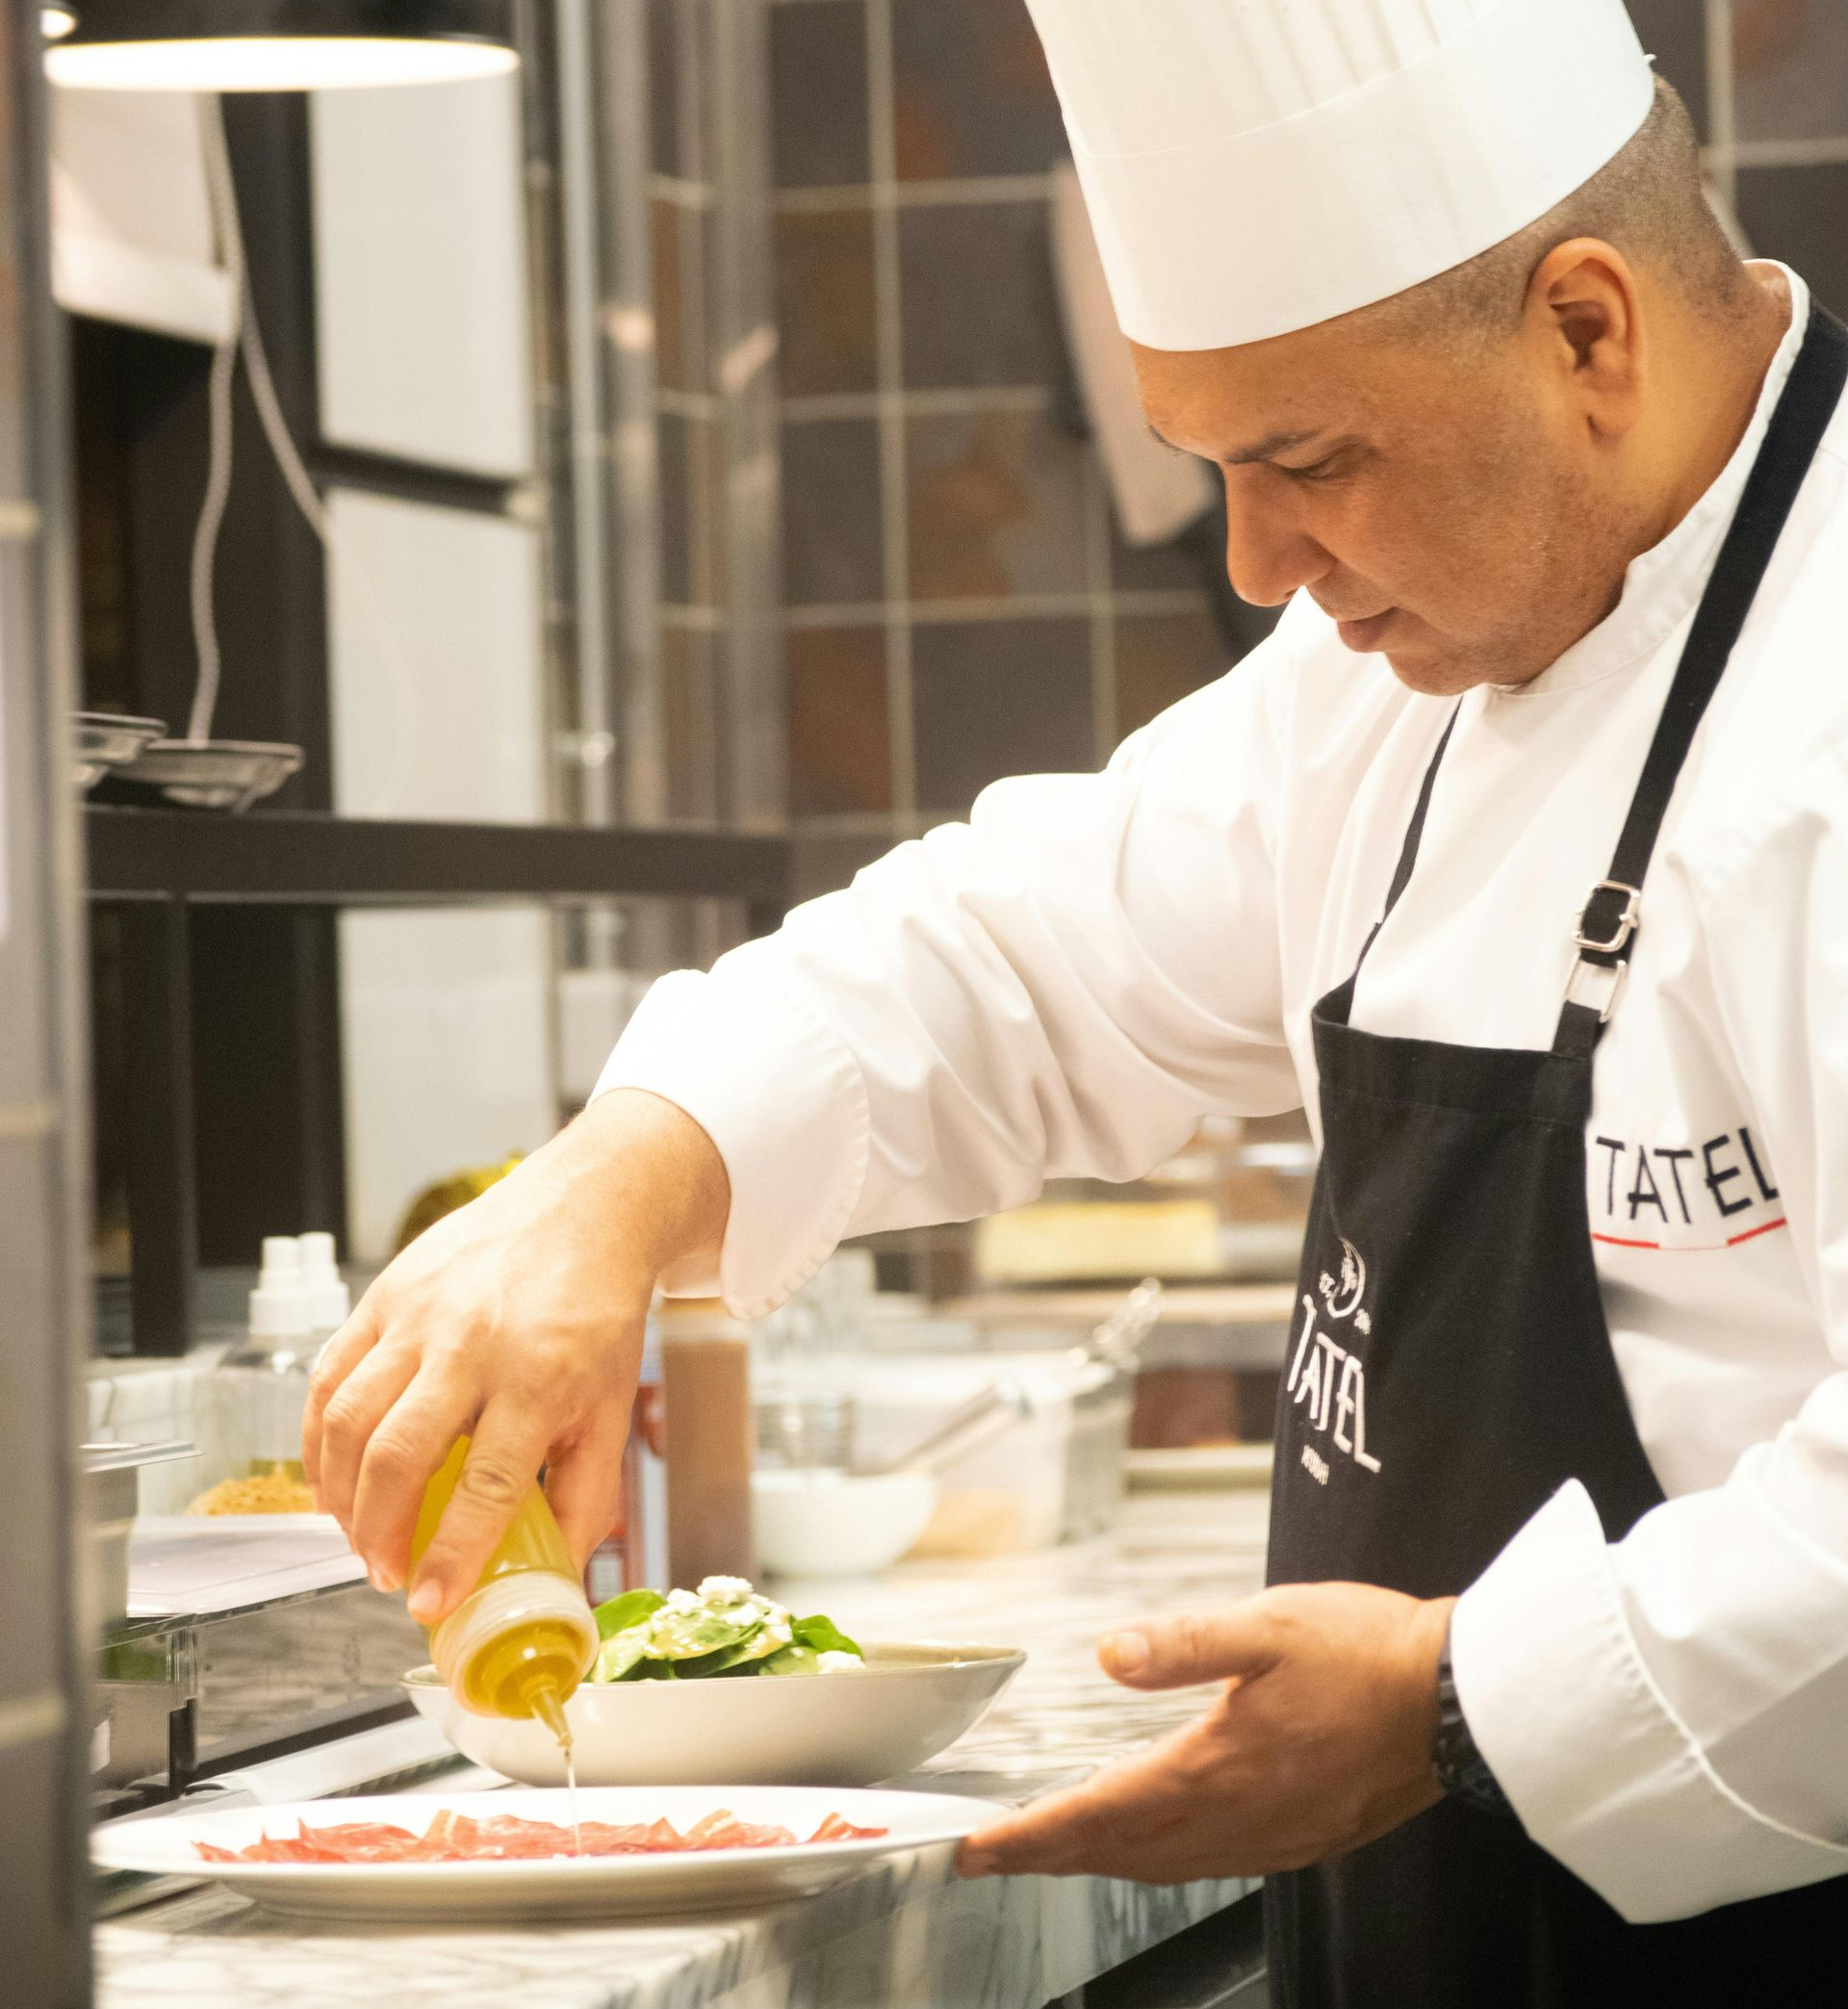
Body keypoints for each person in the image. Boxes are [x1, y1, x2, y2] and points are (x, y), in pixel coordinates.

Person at [305, 0, 1848, 1998]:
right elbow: (1023, 951)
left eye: (1307, 459)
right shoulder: (1384, 679)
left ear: (1584, 331)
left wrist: (1468, 1698)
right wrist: (624, 1173)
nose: (1257, 558)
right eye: (1212, 467)